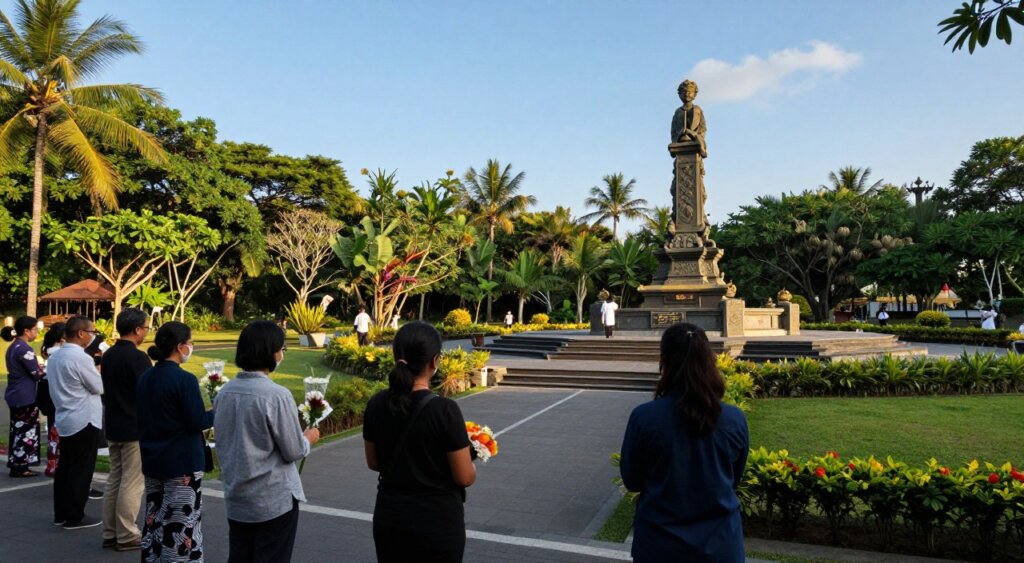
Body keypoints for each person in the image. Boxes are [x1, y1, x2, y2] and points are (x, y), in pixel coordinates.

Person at [619, 323, 749, 562]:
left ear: (664, 361)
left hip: (660, 545)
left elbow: (632, 480)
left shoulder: (645, 418)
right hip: (720, 545)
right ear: (709, 360)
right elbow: (733, 477)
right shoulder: (734, 419)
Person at [363, 321, 476, 562]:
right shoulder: (445, 410)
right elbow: (464, 477)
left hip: (390, 518)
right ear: (435, 361)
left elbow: (373, 463)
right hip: (436, 523)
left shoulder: (376, 404)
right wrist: (473, 458)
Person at [215, 321, 320, 563]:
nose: (282, 354)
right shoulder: (276, 395)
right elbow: (293, 450)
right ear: (270, 352)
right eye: (281, 348)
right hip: (272, 499)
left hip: (237, 495)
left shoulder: (224, 392)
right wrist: (308, 438)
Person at [137, 322, 213, 562]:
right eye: (190, 343)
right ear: (180, 347)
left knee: (154, 518)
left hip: (153, 459)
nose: (191, 348)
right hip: (182, 464)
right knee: (180, 524)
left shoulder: (146, 377)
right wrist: (216, 410)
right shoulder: (184, 380)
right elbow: (197, 421)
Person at [99, 309, 152, 552]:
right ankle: (127, 533)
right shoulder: (138, 358)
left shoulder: (109, 354)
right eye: (146, 327)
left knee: (115, 478)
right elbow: (148, 392)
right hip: (133, 426)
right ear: (137, 329)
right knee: (132, 482)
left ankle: (111, 531)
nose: (147, 331)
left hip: (114, 422)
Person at [47, 316, 104, 529]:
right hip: (83, 417)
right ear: (81, 333)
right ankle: (74, 515)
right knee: (81, 469)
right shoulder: (80, 358)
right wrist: (99, 372)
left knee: (66, 468)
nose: (93, 336)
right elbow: (97, 387)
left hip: (65, 415)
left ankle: (61, 512)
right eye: (92, 331)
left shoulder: (55, 356)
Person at [3, 316, 43, 478]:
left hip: (16, 393)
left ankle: (16, 463)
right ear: (26, 331)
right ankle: (21, 466)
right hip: (25, 395)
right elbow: (37, 373)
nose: (37, 332)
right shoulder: (24, 349)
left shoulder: (14, 347)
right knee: (26, 432)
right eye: (35, 329)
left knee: (18, 430)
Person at [39, 323, 66, 477]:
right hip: (59, 398)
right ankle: (56, 465)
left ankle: (52, 464)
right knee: (58, 432)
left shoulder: (49, 351)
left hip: (50, 396)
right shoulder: (59, 353)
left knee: (52, 432)